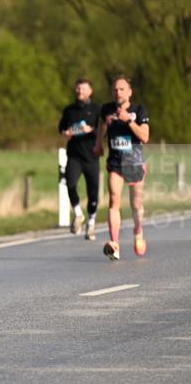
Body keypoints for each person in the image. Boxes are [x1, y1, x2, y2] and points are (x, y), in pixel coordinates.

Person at [94, 75, 150, 260]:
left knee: (135, 204)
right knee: (113, 200)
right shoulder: (106, 109)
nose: (118, 92)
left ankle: (138, 231)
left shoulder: (138, 110)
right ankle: (115, 244)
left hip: (134, 162)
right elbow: (101, 124)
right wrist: (98, 143)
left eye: (122, 89)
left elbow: (145, 137)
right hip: (115, 163)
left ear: (130, 92)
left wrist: (128, 120)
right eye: (115, 89)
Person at [58, 78, 100, 240]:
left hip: (91, 156)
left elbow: (102, 131)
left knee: (93, 192)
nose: (80, 92)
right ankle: (78, 213)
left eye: (83, 89)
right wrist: (66, 132)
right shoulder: (69, 110)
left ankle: (91, 223)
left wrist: (91, 130)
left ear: (90, 91)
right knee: (70, 183)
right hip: (74, 155)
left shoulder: (97, 109)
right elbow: (61, 127)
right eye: (78, 89)